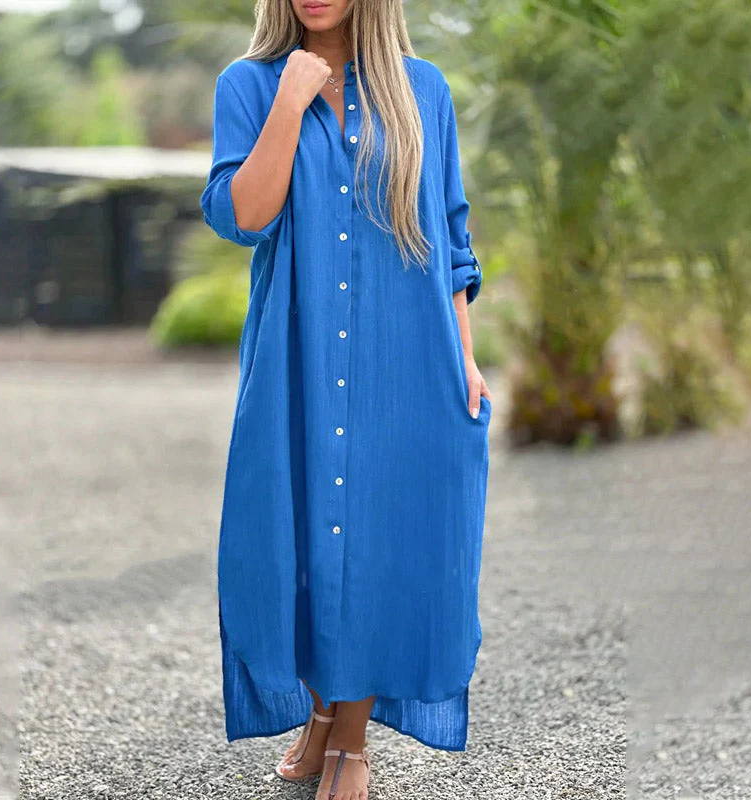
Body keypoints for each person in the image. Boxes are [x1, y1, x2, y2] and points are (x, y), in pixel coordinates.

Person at [200, 1, 492, 797]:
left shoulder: (423, 90)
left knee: (380, 536)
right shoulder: (249, 85)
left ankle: (349, 740)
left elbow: (450, 233)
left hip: (409, 359)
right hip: (295, 354)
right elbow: (244, 215)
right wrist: (291, 101)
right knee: (295, 535)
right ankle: (324, 714)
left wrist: (465, 358)